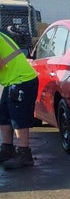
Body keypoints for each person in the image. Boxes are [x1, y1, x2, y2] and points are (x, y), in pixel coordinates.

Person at [0, 26, 39, 170]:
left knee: (18, 118)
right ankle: (7, 149)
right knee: (4, 116)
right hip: (13, 80)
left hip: (21, 80)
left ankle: (24, 154)